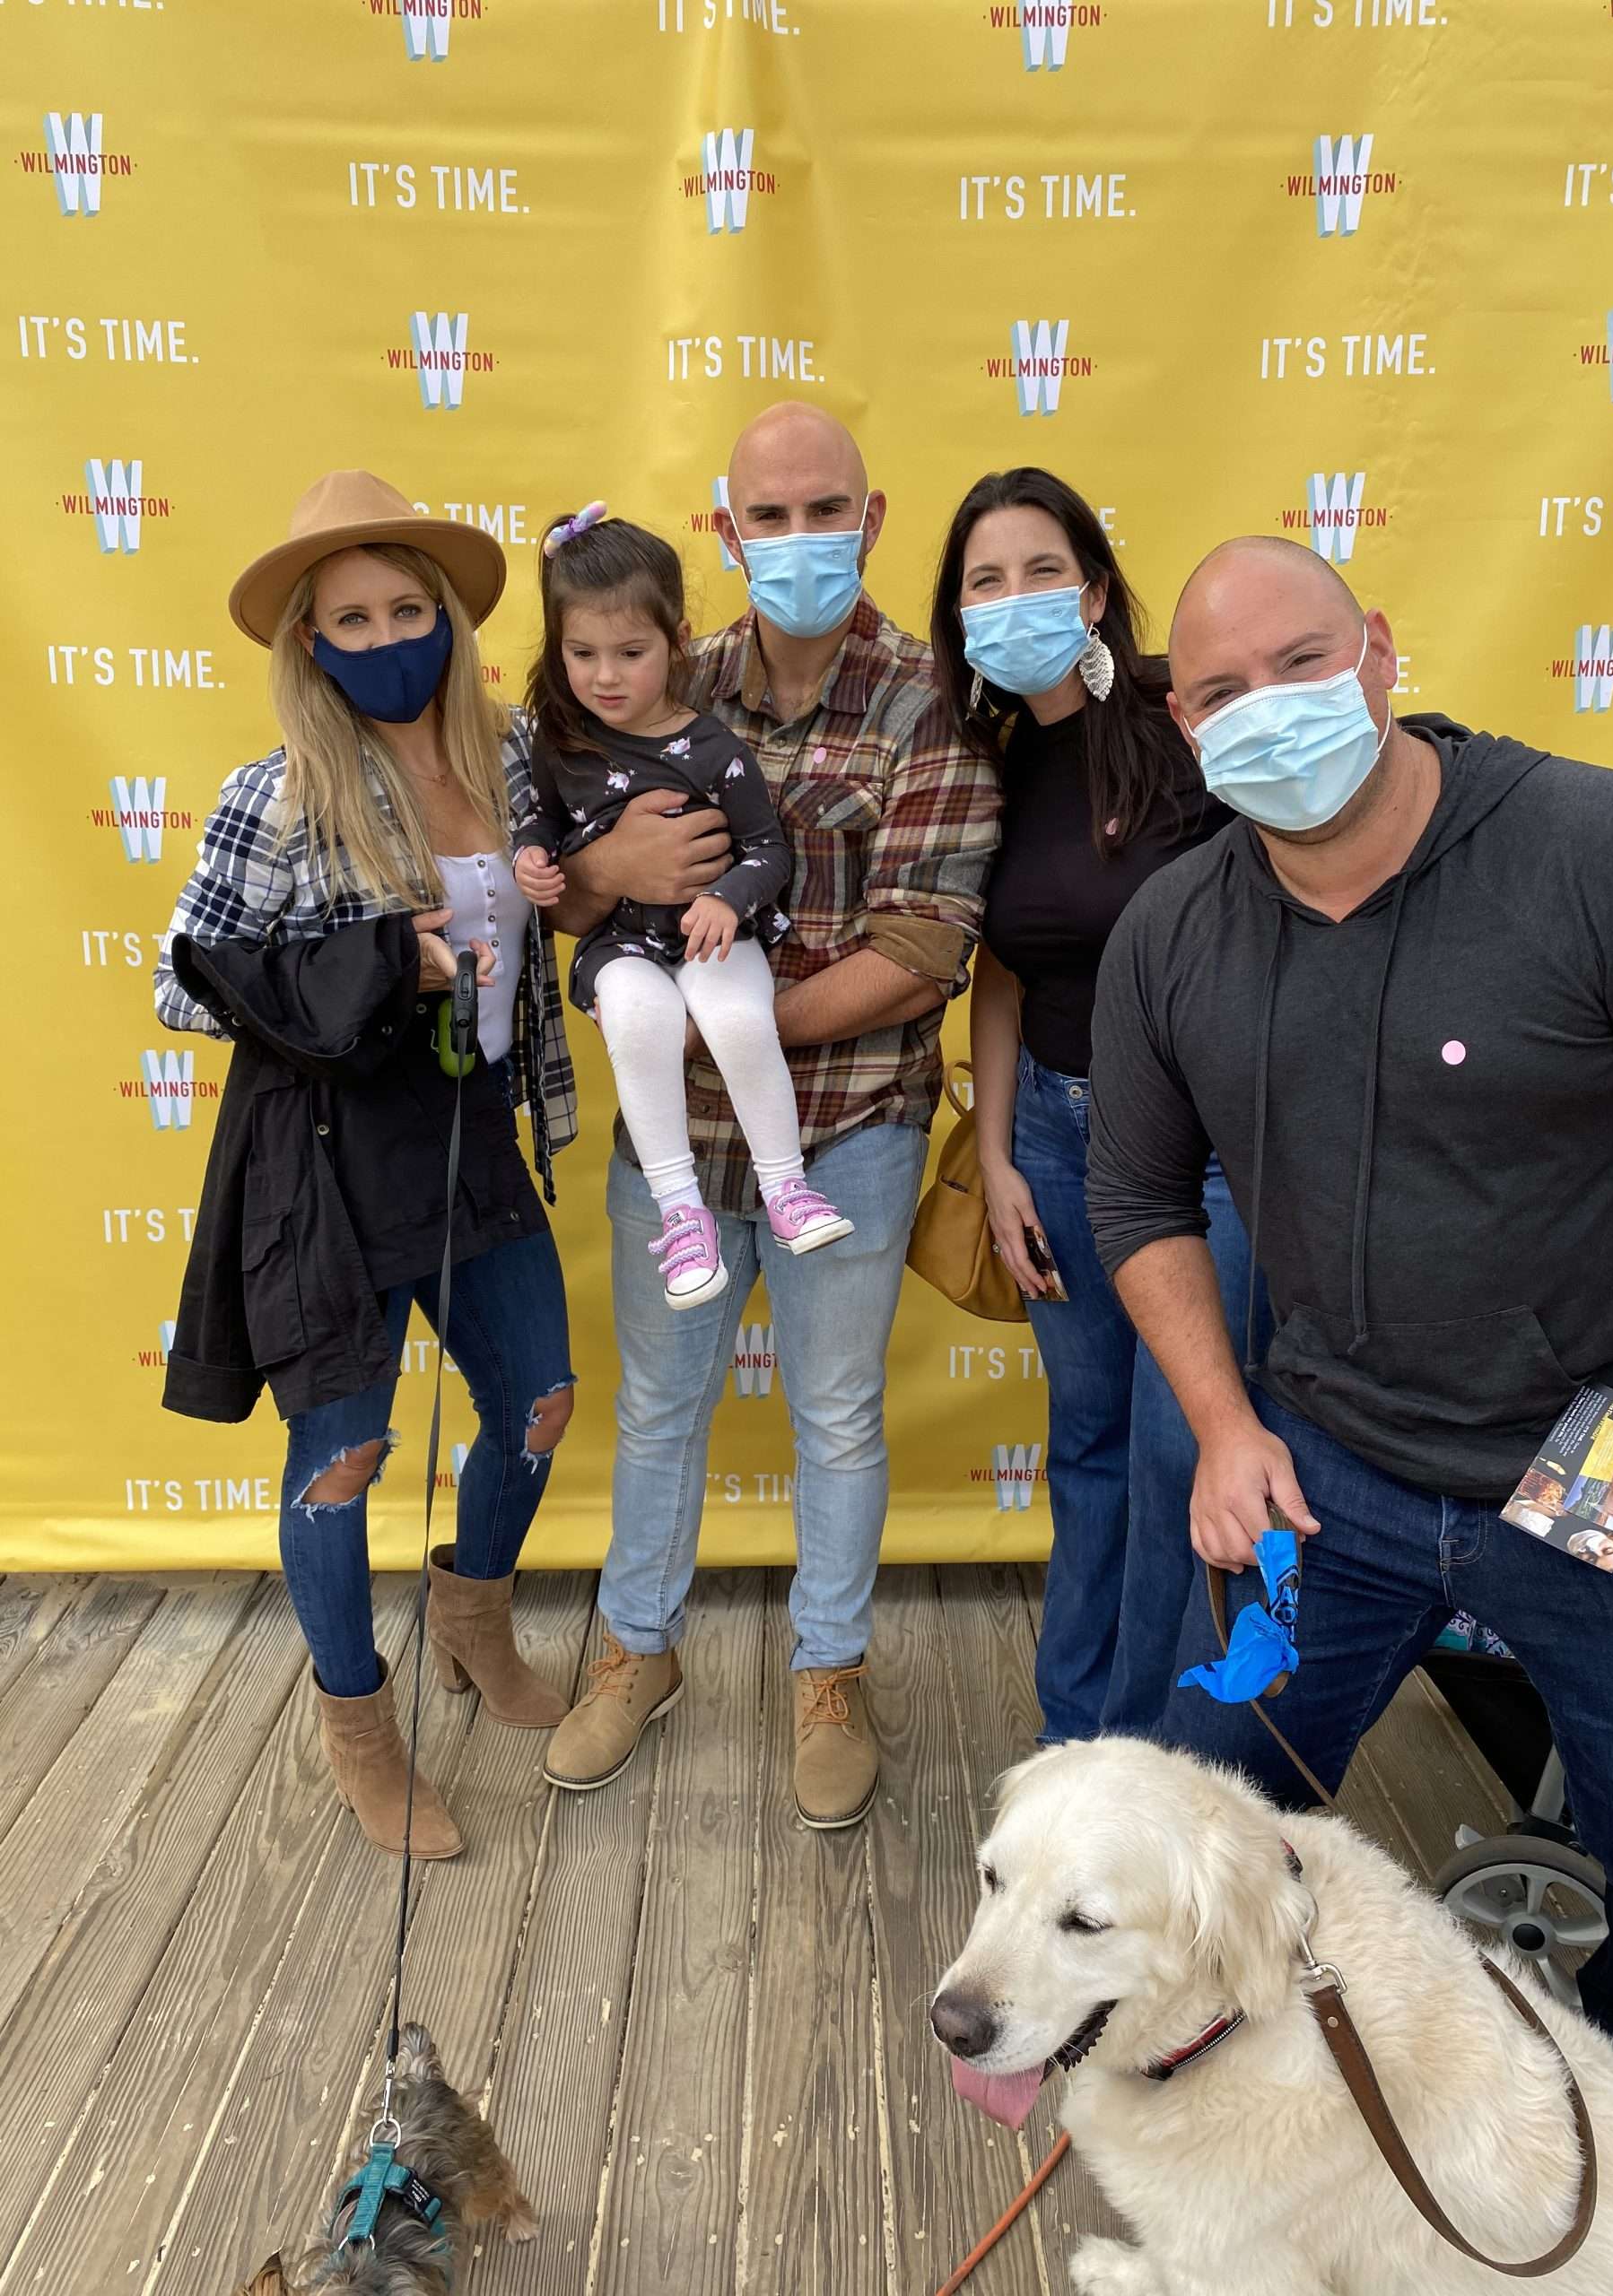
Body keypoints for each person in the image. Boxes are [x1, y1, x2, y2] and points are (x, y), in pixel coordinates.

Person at [1086, 533, 1613, 2159]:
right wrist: (1224, 1427)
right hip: (1336, 1481)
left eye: (1300, 665)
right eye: (1219, 691)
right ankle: (1226, 2081)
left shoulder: (1609, 853)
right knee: (1205, 1799)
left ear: (1379, 647)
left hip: (1609, 1482)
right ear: (1180, 722)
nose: (1267, 712)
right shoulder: (1172, 932)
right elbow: (1139, 1197)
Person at [542, 403, 1001, 1830]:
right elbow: (573, 898)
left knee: (841, 1420)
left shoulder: (932, 700)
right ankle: (634, 1652)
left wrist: (724, 1018)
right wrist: (606, 874)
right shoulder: (660, 679)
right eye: (770, 515)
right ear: (725, 530)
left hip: (851, 1136)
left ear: (869, 521)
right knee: (662, 1409)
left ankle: (831, 1670)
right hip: (668, 1149)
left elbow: (922, 946)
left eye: (826, 512)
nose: (797, 540)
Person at [155, 472, 580, 1863]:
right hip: (331, 1166)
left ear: (449, 623)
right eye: (353, 616)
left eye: (410, 608)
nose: (387, 632)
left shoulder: (514, 759)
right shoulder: (276, 797)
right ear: (312, 644)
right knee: (341, 1459)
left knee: (537, 1399)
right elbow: (182, 983)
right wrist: (383, 959)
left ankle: (472, 1609)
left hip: (474, 1133)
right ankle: (356, 1722)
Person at [926, 467, 1255, 1744]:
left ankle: (1164, 1753)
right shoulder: (984, 765)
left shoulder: (1188, 727)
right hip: (1057, 1138)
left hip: (1200, 1152)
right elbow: (1005, 967)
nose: (1016, 602)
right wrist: (1000, 1158)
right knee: (1092, 1446)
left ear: (1099, 590)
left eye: (1041, 571)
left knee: (1190, 1450)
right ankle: (1076, 1738)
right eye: (985, 584)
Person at [514, 501, 851, 1311]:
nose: (604, 676)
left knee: (738, 1021)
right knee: (636, 1023)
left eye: (630, 653)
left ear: (678, 641)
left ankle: (789, 1188)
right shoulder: (560, 743)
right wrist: (532, 857)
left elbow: (769, 851)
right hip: (622, 948)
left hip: (710, 938)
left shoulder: (714, 748)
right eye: (581, 653)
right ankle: (680, 1214)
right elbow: (546, 821)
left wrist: (728, 902)